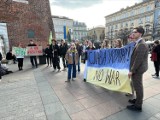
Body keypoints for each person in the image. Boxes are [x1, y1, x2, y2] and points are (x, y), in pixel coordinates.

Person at [127, 26, 148, 112]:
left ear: (139, 33)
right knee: (136, 85)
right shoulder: (138, 42)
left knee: (138, 86)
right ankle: (137, 100)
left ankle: (138, 105)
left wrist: (132, 71)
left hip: (138, 69)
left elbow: (138, 60)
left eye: (135, 32)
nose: (133, 33)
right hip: (138, 68)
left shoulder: (142, 44)